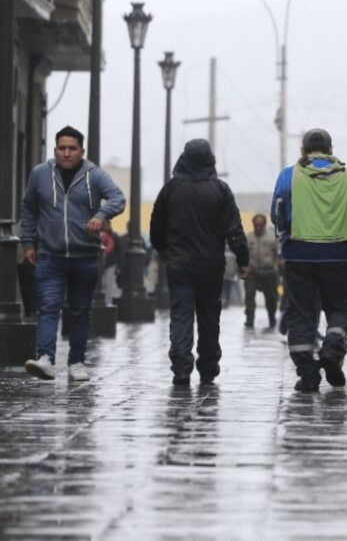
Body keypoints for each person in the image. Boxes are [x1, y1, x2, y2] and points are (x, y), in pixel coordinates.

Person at [19, 126, 126, 381]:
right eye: (62, 148)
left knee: (79, 312)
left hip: (85, 256)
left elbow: (118, 199)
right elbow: (28, 209)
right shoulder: (40, 174)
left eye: (72, 149)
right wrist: (28, 243)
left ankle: (76, 362)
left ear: (81, 151)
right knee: (48, 307)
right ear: (55, 150)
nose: (66, 153)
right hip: (50, 255)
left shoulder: (95, 176)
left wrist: (100, 215)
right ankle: (45, 358)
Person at [150, 139, 250, 386]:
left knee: (181, 314)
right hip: (210, 266)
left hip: (179, 265)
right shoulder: (220, 190)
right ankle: (208, 366)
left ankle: (182, 366)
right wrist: (243, 259)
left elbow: (156, 225)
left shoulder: (170, 189)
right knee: (208, 317)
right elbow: (234, 228)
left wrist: (162, 249)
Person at [271, 128, 347, 392]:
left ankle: (308, 374)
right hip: (337, 254)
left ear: (303, 149)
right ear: (330, 149)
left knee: (300, 314)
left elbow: (277, 215)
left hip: (298, 255)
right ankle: (332, 349)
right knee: (341, 309)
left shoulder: (289, 176)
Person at [244, 213, 281, 328]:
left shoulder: (272, 237)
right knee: (249, 296)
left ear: (264, 224)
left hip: (269, 272)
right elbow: (243, 254)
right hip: (252, 271)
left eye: (260, 225)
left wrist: (277, 266)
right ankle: (249, 319)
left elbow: (278, 254)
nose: (258, 227)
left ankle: (271, 318)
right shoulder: (248, 237)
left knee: (271, 297)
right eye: (256, 225)